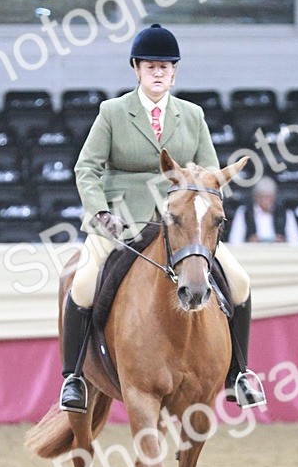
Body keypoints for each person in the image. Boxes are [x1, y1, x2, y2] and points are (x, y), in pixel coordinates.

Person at [60, 21, 266, 414]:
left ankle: (239, 372)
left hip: (183, 226)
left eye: (166, 66)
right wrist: (100, 211)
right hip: (122, 220)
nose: (158, 73)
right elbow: (86, 168)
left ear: (174, 72)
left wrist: (201, 207)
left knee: (238, 281)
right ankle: (73, 378)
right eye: (151, 66)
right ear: (137, 68)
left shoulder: (192, 116)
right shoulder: (113, 112)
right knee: (83, 283)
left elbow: (208, 172)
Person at [228, 176, 298, 244]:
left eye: (270, 197)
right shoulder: (244, 212)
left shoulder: (285, 213)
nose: (267, 201)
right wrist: (248, 242)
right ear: (256, 196)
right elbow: (234, 241)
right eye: (263, 197)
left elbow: (296, 242)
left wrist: (283, 242)